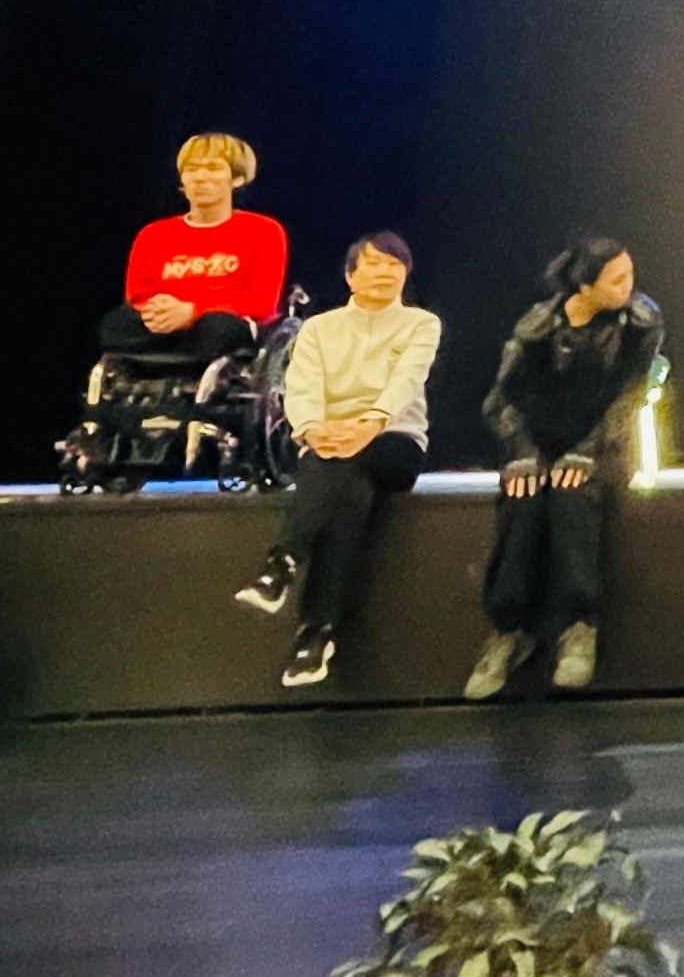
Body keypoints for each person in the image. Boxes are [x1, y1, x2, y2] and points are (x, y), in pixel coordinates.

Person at [465, 234, 666, 700]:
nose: (629, 286)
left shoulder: (640, 322)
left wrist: (586, 451)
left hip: (601, 448)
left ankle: (579, 626)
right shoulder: (539, 324)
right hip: (538, 447)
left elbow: (630, 396)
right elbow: (500, 400)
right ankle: (508, 630)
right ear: (585, 285)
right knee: (523, 500)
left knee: (573, 496)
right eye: (616, 279)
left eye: (629, 275)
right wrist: (523, 453)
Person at [234, 233, 439, 688]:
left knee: (341, 465)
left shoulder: (421, 323)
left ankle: (282, 562)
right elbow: (301, 388)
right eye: (374, 263)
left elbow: (406, 382)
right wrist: (311, 430)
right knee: (348, 493)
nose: (385, 273)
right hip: (331, 442)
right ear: (350, 275)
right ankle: (315, 635)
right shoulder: (319, 329)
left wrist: (368, 425)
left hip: (396, 441)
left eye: (395, 265)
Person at [104, 132, 289, 360]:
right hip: (166, 327)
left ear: (237, 179)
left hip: (223, 326)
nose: (200, 177)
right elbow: (137, 298)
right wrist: (160, 312)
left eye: (213, 168)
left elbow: (261, 303)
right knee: (116, 325)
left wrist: (192, 311)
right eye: (191, 169)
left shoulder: (264, 230)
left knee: (216, 328)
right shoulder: (153, 234)